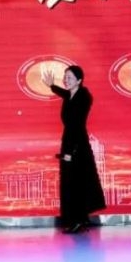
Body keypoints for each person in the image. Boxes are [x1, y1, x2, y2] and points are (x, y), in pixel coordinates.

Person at [42, 65, 106, 233]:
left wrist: (70, 151)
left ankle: (78, 220)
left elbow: (76, 124)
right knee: (72, 182)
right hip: (70, 141)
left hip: (77, 144)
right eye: (65, 77)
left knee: (76, 183)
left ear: (79, 80)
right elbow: (64, 93)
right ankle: (80, 219)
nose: (66, 80)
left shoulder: (83, 96)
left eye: (70, 78)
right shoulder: (70, 95)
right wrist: (52, 85)